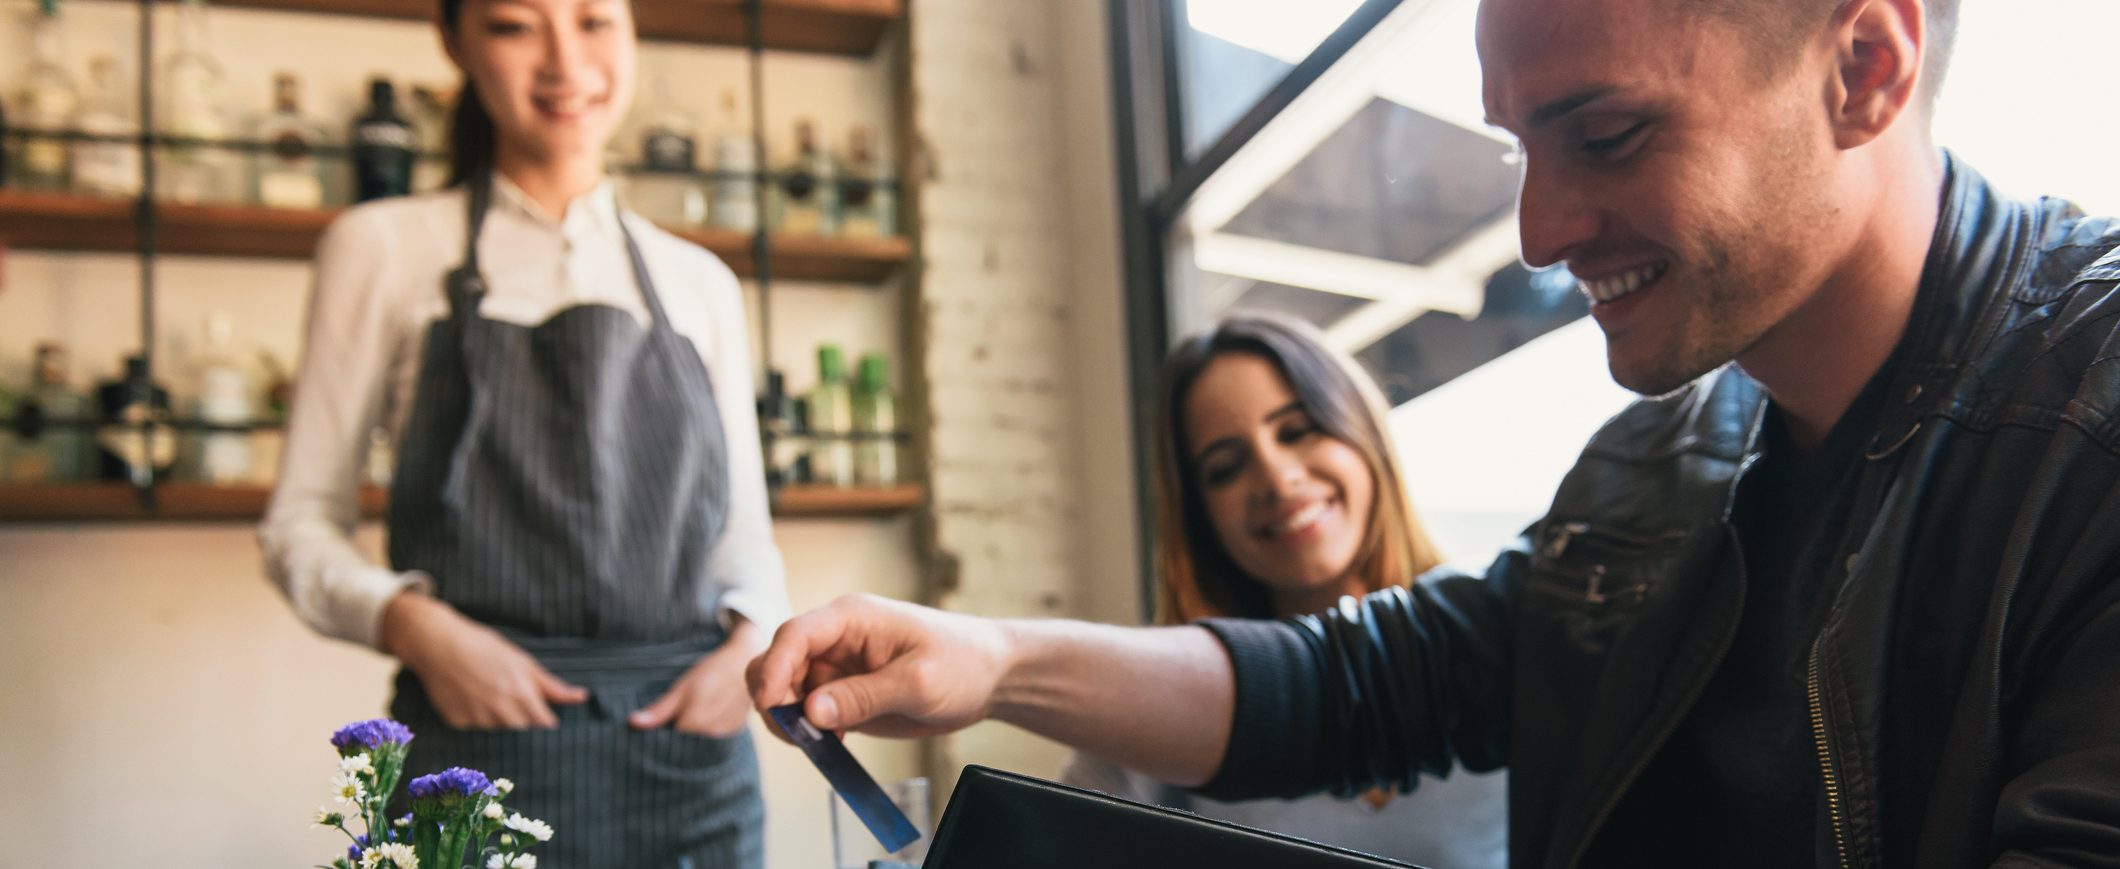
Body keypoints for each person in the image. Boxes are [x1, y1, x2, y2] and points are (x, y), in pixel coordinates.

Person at [749, 0, 2120, 865]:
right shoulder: (1664, 460)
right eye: (1521, 144)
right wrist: (988, 658)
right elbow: (1372, 684)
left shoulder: (2087, 425)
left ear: (1864, 67)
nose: (1539, 230)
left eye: (1607, 132)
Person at [260, 0, 786, 865]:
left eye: (593, 22)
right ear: (454, 40)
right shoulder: (381, 248)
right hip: (469, 756)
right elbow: (297, 526)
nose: (564, 62)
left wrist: (750, 643)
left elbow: (744, 542)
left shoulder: (702, 283)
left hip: (690, 758)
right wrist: (414, 626)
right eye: (515, 24)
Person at [1060, 314, 1507, 868]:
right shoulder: (1164, 700)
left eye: (1297, 431)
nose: (1275, 478)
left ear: (1363, 432)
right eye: (1226, 467)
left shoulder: (1499, 643)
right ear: (1201, 519)